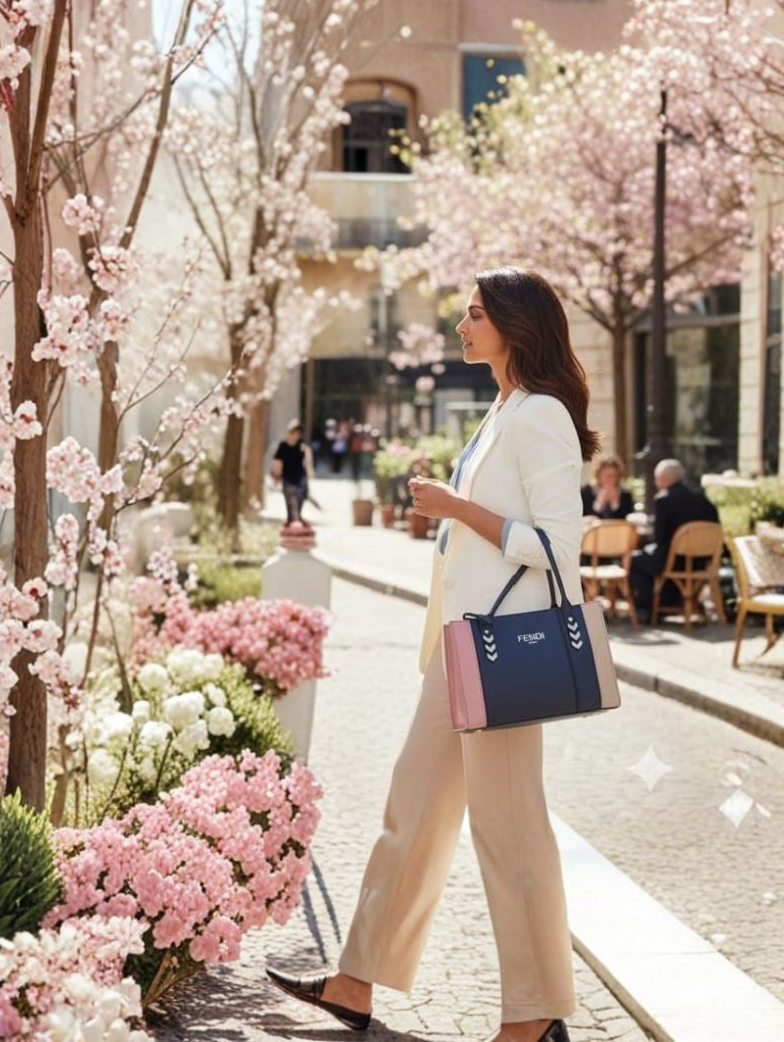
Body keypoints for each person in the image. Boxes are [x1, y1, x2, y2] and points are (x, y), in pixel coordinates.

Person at [265, 268, 595, 1042]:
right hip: (460, 646)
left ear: (514, 325)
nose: (461, 326)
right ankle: (354, 980)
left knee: (509, 829)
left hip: (503, 650)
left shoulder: (542, 414)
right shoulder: (505, 409)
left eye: (476, 314)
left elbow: (559, 550)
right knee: (410, 812)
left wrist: (454, 508)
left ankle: (537, 1014)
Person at [627, 459, 719, 623]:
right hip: (701, 562)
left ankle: (647, 610)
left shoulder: (664, 499)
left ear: (663, 478)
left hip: (673, 561)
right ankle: (670, 603)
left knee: (634, 559)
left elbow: (659, 538)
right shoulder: (702, 498)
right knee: (650, 556)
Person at [270, 419, 312, 526]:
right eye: (293, 432)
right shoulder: (283, 446)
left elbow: (308, 460)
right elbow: (277, 462)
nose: (295, 435)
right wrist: (276, 476)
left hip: (300, 477)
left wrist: (309, 473)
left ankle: (295, 521)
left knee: (300, 500)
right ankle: (293, 522)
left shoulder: (302, 445)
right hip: (288, 478)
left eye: (297, 433)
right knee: (291, 502)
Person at [581, 455, 634, 520]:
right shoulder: (585, 492)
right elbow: (584, 517)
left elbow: (626, 519)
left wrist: (615, 504)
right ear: (598, 475)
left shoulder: (625, 495)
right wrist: (598, 505)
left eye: (613, 475)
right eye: (606, 475)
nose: (609, 479)